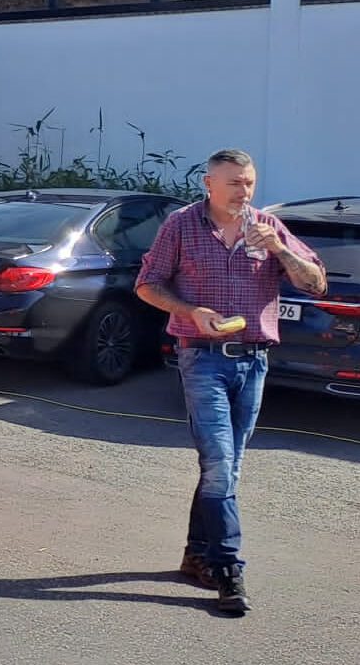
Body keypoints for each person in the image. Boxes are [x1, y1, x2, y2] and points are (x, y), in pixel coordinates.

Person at [135, 148, 325, 616]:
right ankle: (228, 570)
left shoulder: (268, 227)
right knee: (220, 464)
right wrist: (190, 311)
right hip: (201, 358)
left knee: (226, 468)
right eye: (236, 182)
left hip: (254, 360)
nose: (245, 191)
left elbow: (316, 284)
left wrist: (279, 249)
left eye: (251, 182)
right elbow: (147, 284)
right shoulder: (181, 225)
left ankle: (197, 554)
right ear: (209, 183)